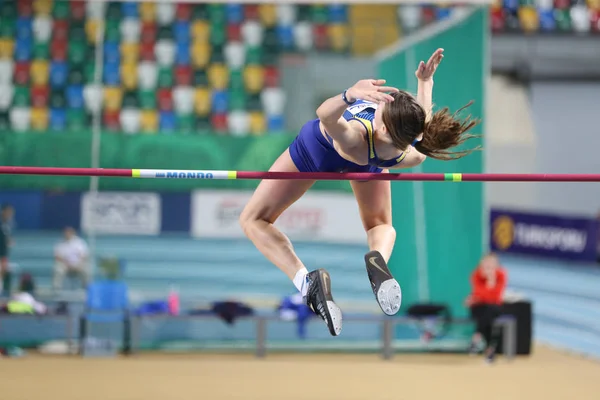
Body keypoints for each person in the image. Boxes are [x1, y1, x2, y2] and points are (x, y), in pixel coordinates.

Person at [239, 48, 480, 336]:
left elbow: (325, 116)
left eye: (380, 109)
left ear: (381, 125)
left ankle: (307, 282)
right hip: (373, 163)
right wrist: (425, 83)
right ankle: (377, 256)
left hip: (317, 151)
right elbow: (421, 126)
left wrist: (349, 95)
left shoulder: (356, 135)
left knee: (254, 219)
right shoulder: (408, 153)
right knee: (381, 225)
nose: (378, 105)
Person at [465, 252, 507, 363]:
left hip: (493, 308)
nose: (488, 269)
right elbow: (479, 293)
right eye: (486, 266)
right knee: (485, 313)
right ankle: (490, 350)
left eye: (491, 266)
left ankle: (476, 337)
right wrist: (488, 288)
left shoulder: (501, 275)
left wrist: (491, 281)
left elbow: (495, 296)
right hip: (478, 308)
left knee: (490, 310)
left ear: (496, 266)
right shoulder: (476, 275)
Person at [53, 227, 90, 291]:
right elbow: (58, 257)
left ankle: (86, 289)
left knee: (86, 270)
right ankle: (56, 290)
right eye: (66, 233)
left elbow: (84, 256)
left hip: (78, 264)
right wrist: (67, 264)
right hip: (65, 264)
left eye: (69, 232)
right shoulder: (60, 243)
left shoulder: (79, 242)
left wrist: (78, 264)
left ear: (73, 233)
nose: (67, 234)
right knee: (58, 269)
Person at [0, 204, 15, 296]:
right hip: (1, 253)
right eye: (8, 212)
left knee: (4, 272)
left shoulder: (8, 224)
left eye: (11, 213)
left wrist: (8, 240)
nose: (10, 215)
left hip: (4, 253)